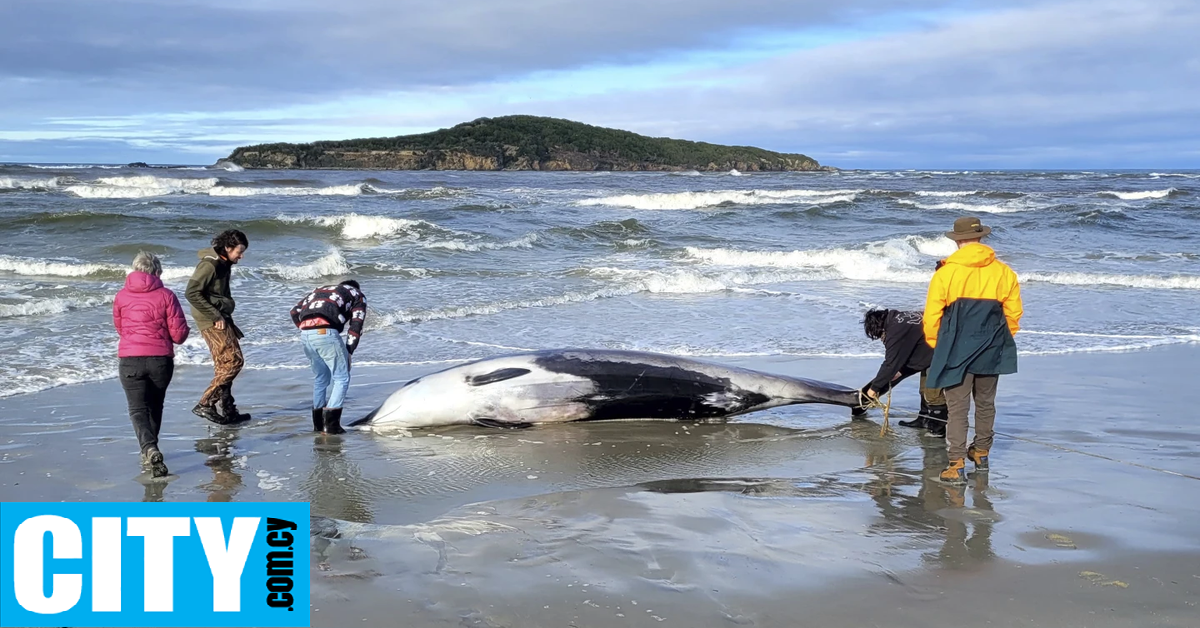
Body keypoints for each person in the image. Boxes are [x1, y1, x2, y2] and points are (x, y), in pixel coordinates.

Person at [923, 216, 1023, 484]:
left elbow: (931, 316)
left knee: (957, 407)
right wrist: (999, 338)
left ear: (957, 241)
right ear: (981, 239)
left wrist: (937, 344)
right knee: (986, 403)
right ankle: (981, 452)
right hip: (991, 344)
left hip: (955, 347)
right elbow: (1014, 315)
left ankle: (956, 464)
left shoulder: (946, 273)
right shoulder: (1004, 272)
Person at [112, 251, 190, 477]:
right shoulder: (166, 295)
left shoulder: (121, 296)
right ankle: (150, 447)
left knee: (137, 409)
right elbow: (179, 335)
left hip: (130, 360)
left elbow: (120, 328)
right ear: (157, 271)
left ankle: (149, 448)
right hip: (160, 360)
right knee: (155, 406)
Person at [186, 228, 251, 424]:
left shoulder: (224, 262)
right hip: (212, 320)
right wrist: (215, 315)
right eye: (239, 252)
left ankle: (228, 410)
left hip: (221, 317)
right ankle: (205, 404)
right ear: (228, 248)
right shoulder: (210, 265)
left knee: (224, 365)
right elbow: (191, 292)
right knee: (234, 362)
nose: (241, 256)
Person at [290, 279, 368, 434]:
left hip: (305, 335)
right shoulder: (357, 295)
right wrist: (349, 351)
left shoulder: (320, 290)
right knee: (342, 377)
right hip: (325, 333)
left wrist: (306, 328)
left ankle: (318, 425)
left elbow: (294, 311)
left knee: (321, 378)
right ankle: (331, 425)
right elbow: (356, 326)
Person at [860, 307, 948, 437]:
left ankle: (938, 429)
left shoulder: (896, 330)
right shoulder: (898, 319)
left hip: (943, 350)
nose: (881, 338)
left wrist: (873, 389)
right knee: (924, 390)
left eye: (880, 335)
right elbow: (911, 349)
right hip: (931, 349)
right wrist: (901, 371)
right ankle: (923, 419)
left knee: (933, 393)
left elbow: (891, 363)